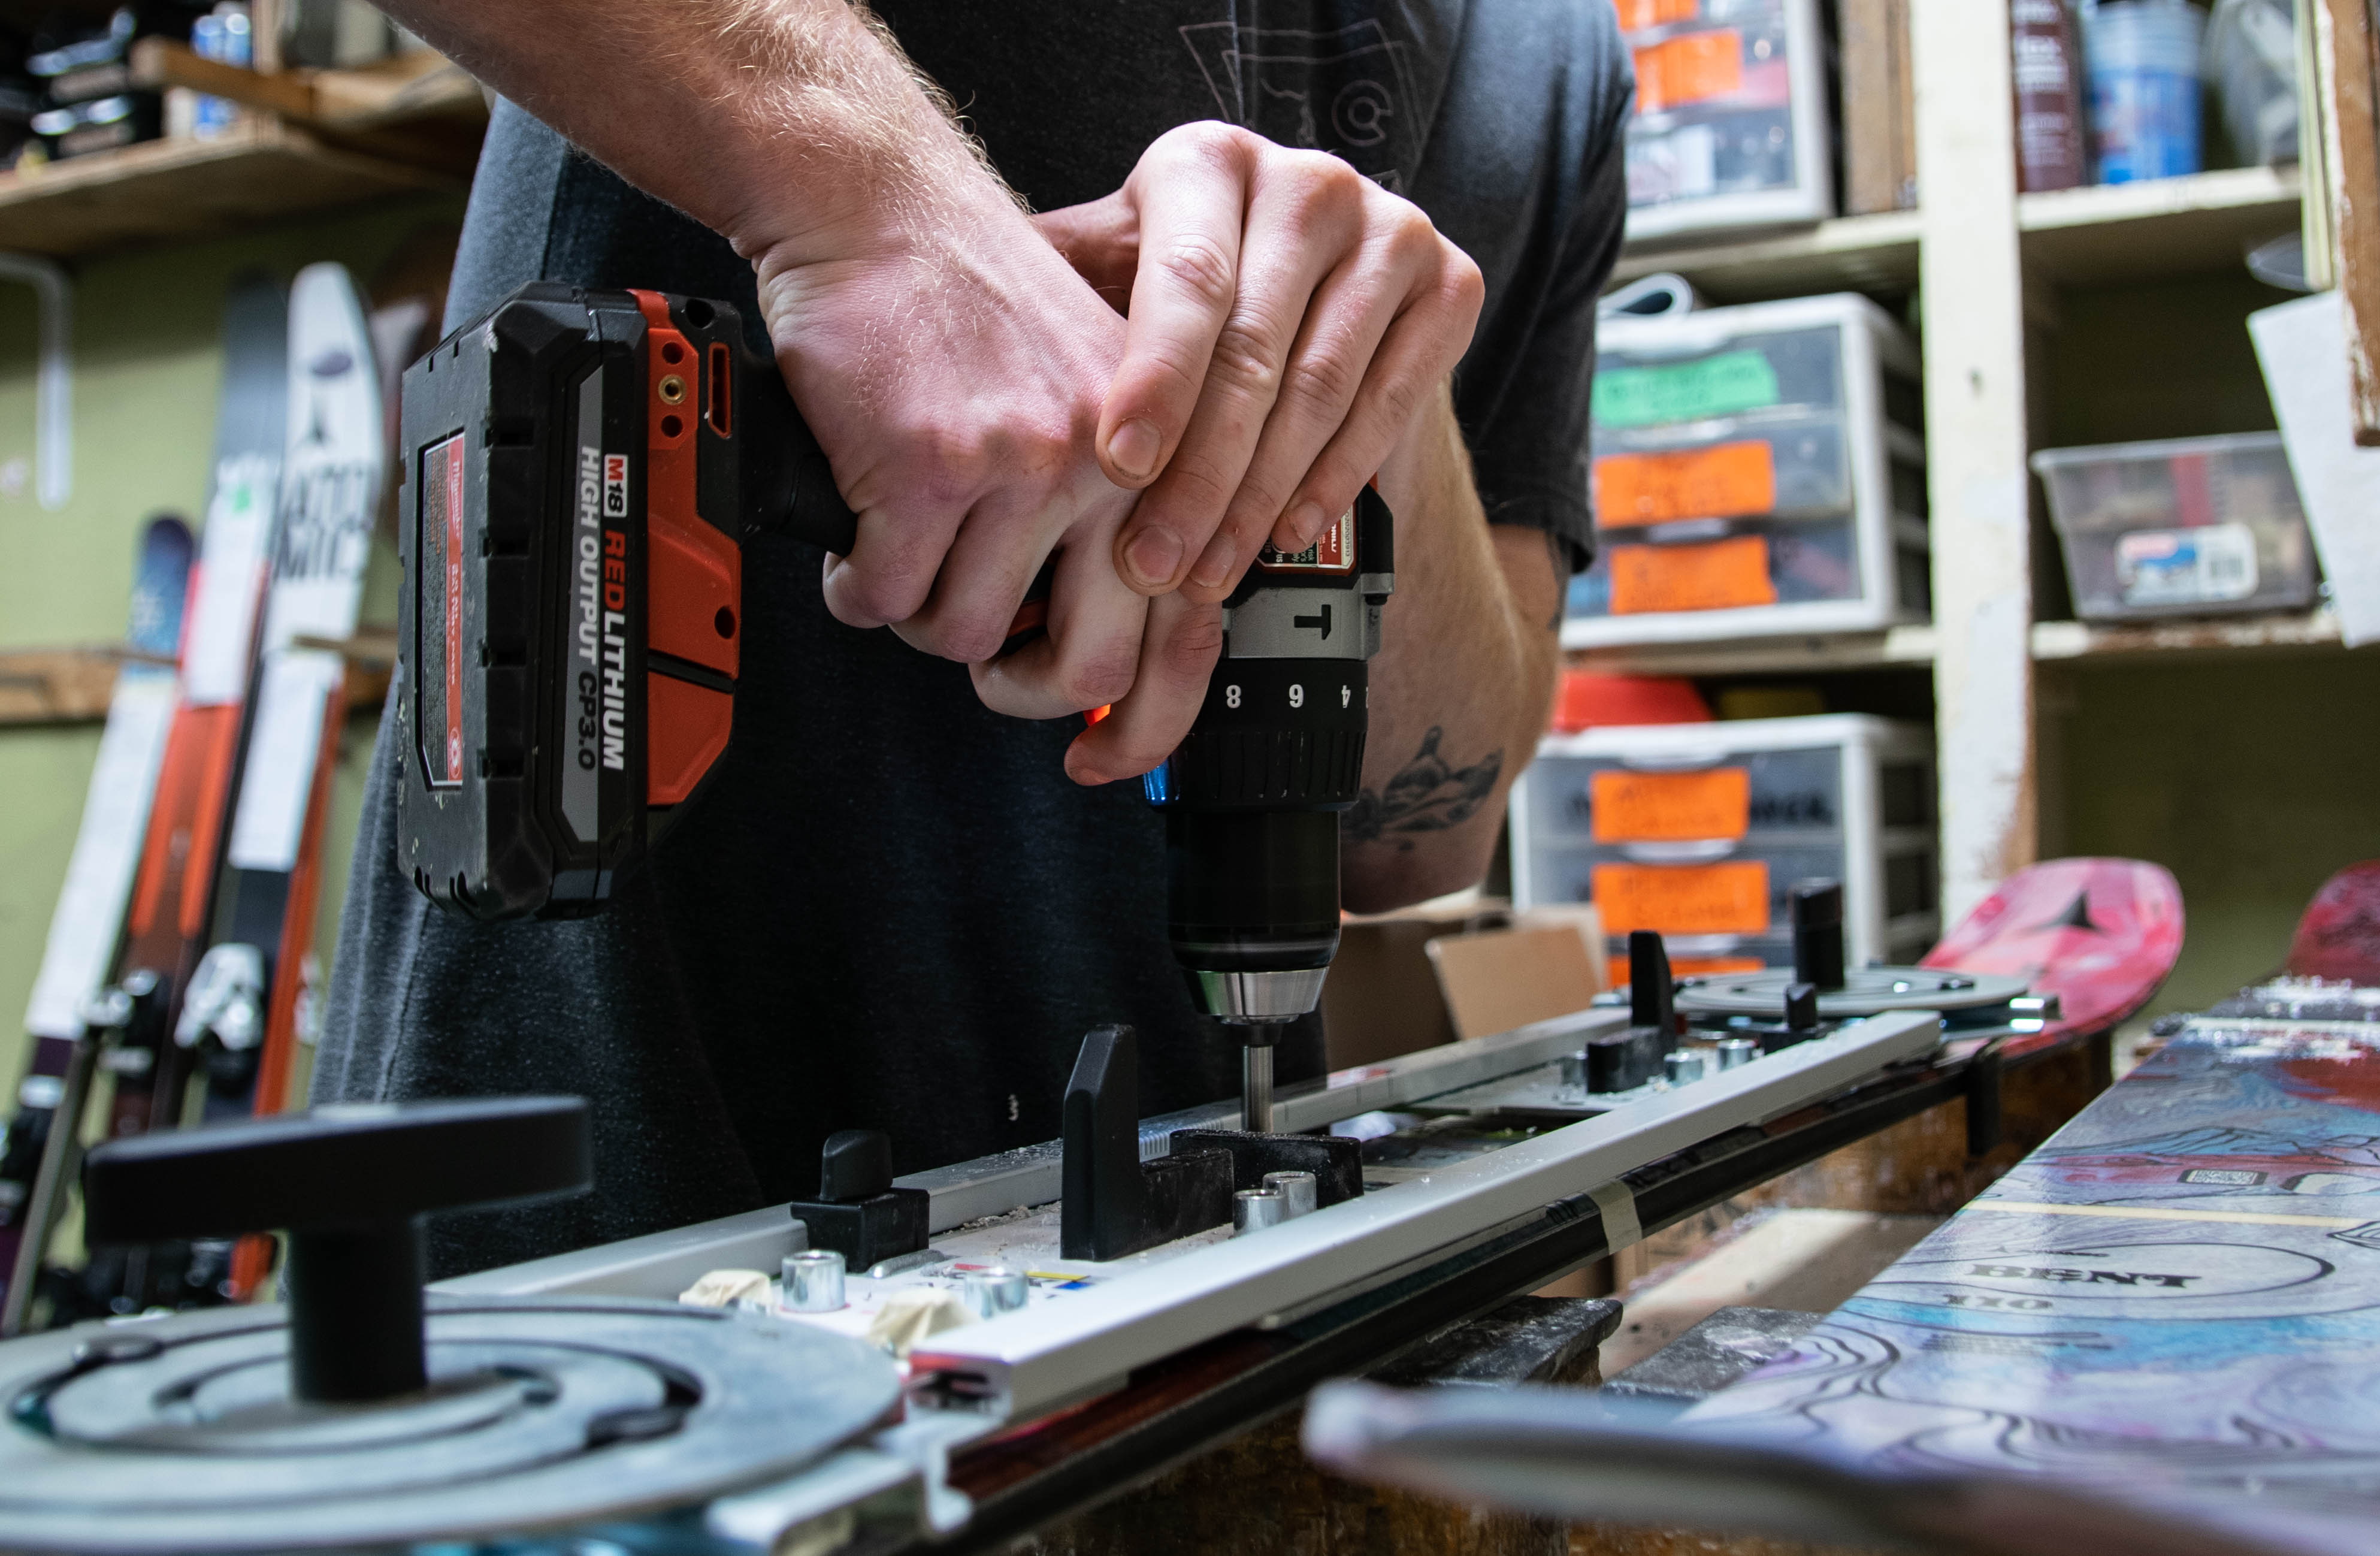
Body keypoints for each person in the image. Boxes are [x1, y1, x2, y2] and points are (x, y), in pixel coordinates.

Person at [318, 0, 1634, 1274]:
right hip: (601, 1150)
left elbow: (1421, 836)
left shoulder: (1553, 60)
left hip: (1147, 1208)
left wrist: (1366, 404)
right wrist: (870, 195)